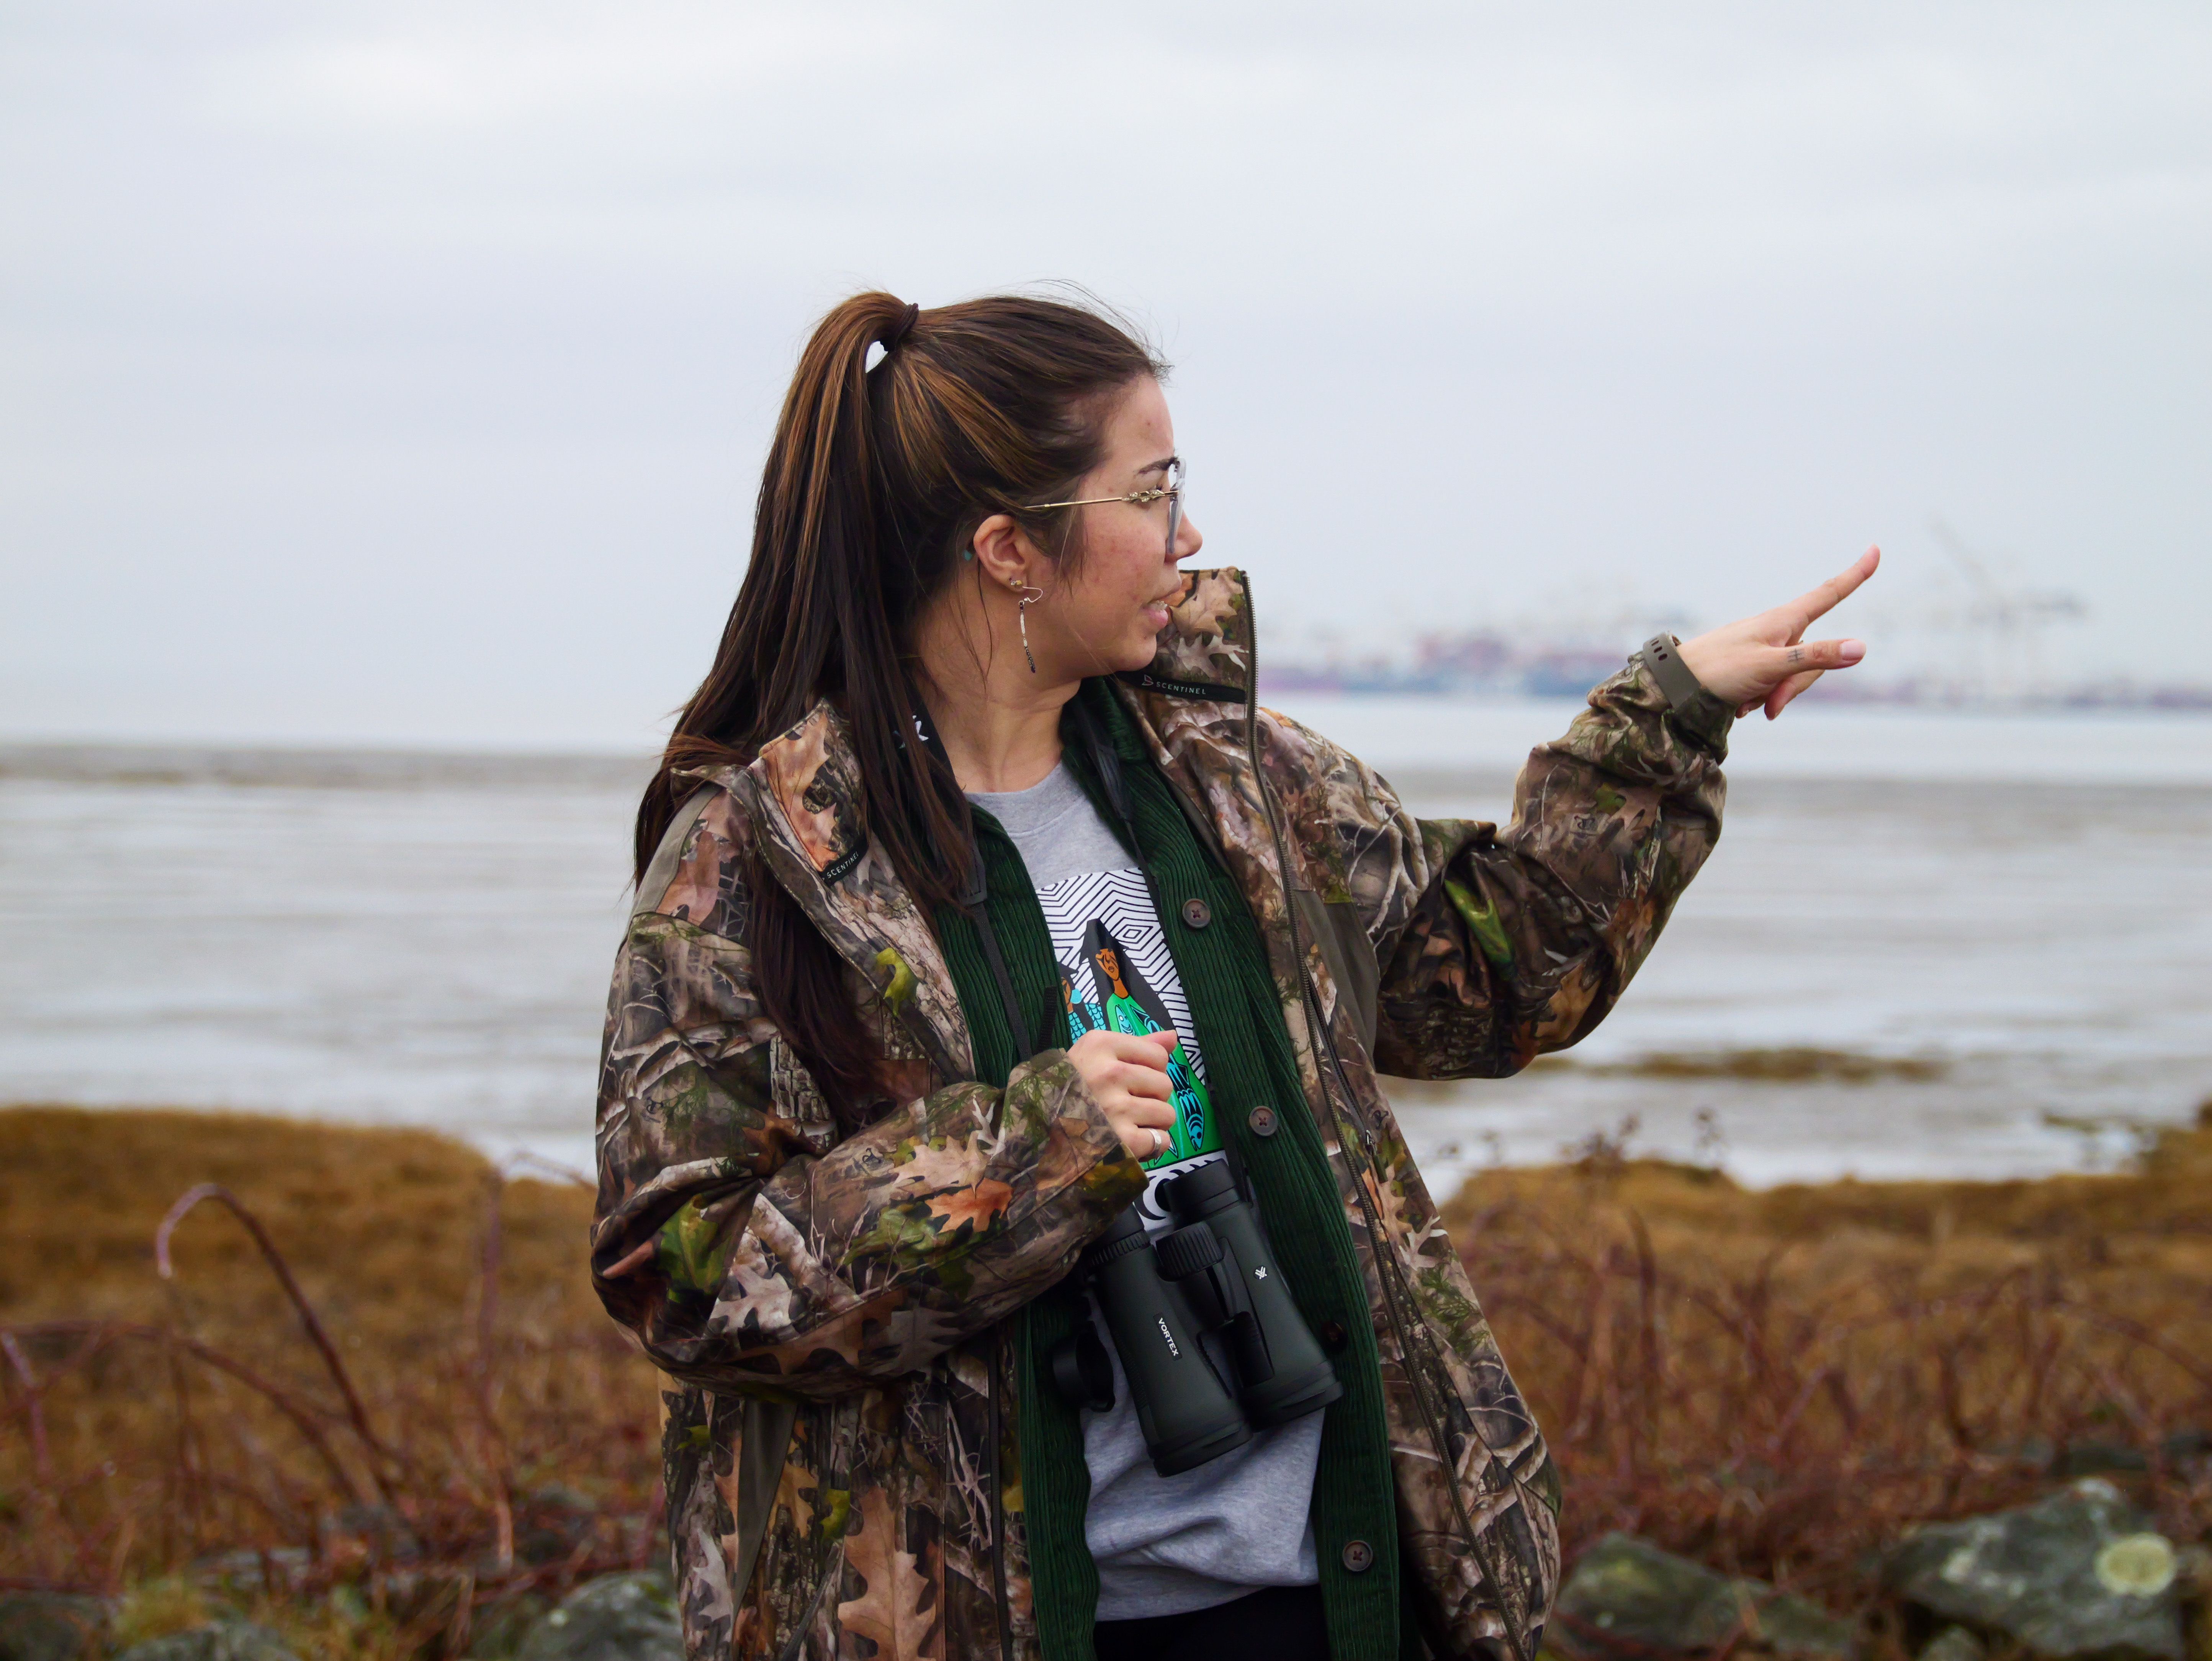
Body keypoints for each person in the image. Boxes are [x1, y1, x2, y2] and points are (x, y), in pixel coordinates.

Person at [590, 291, 1877, 1661]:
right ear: (1012, 550)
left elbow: (1496, 970)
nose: (1188, 537)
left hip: (1338, 1599)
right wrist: (1032, 1153)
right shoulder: (760, 861)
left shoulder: (1238, 782)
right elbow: (685, 1272)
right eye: (1151, 493)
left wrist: (1672, 713)